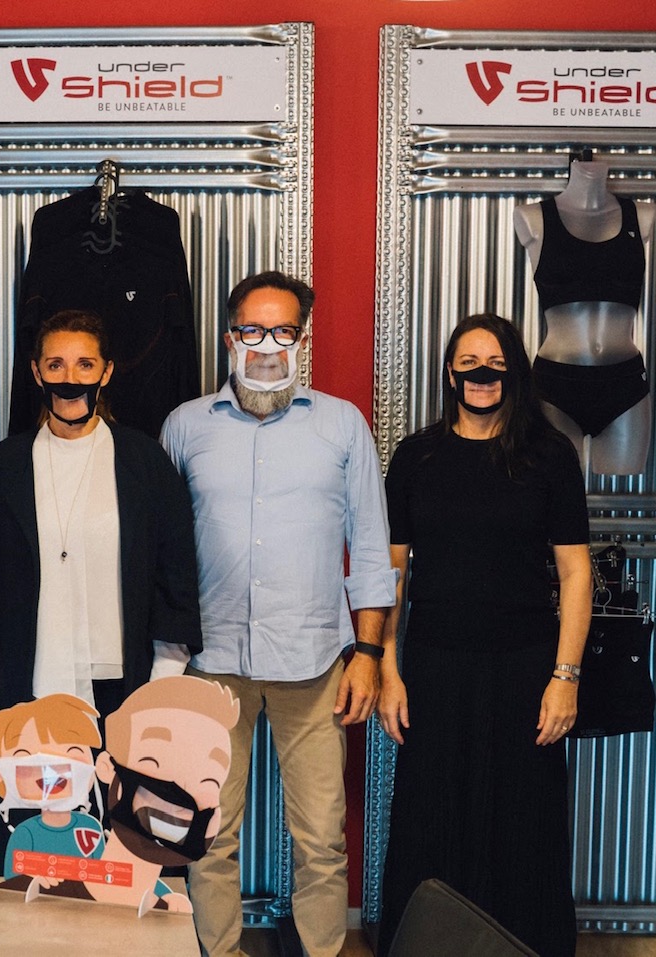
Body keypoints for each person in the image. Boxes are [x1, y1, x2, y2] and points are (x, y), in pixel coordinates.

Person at [160, 270, 396, 957]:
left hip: (315, 663)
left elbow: (371, 550)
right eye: (253, 330)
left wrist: (369, 655)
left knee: (321, 836)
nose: (268, 345)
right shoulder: (185, 426)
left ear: (303, 338)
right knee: (208, 832)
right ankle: (220, 951)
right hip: (210, 666)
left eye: (284, 330)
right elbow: (161, 552)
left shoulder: (342, 424)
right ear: (230, 337)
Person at [0, 307, 202, 875]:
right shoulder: (2, 468)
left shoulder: (145, 463)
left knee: (127, 840)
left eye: (85, 364)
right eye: (56, 364)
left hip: (125, 688)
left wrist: (162, 687)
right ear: (36, 373)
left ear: (106, 372)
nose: (70, 378)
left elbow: (176, 577)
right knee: (30, 839)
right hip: (24, 687)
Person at [377, 313, 590, 957]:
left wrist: (565, 677)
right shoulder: (416, 457)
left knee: (523, 821)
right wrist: (387, 669)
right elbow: (392, 576)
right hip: (434, 668)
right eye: (467, 362)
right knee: (432, 815)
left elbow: (575, 573)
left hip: (525, 671)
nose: (481, 374)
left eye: (495, 362)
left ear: (514, 372)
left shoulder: (549, 456)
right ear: (450, 373)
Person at [514, 157, 654, 475]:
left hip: (624, 385)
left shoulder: (643, 216)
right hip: (555, 385)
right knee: (555, 490)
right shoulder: (533, 217)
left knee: (621, 482)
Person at [89, 675, 240, 915]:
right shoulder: (59, 883)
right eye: (153, 762)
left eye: (208, 780)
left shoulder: (169, 908)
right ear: (107, 767)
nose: (179, 796)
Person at [0, 694, 105, 882]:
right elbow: (14, 881)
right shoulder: (25, 834)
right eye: (26, 756)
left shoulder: (91, 827)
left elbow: (102, 878)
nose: (52, 769)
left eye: (72, 751)